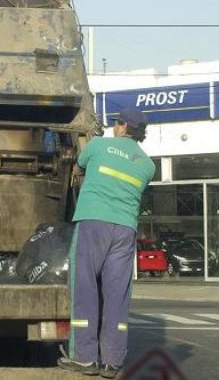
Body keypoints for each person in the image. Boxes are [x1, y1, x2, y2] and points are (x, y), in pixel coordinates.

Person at [58, 107, 156, 379]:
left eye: (117, 123)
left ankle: (85, 358)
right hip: (125, 230)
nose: (114, 126)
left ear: (124, 127)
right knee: (117, 295)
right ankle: (112, 361)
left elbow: (77, 167)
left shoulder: (98, 146)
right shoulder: (148, 165)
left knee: (86, 288)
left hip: (93, 223)